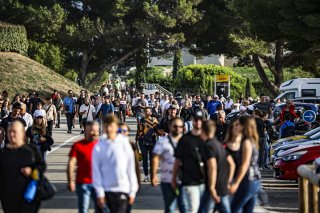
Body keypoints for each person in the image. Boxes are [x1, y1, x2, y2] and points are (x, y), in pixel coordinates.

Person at [92, 115, 138, 213]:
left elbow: (130, 169)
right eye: (106, 126)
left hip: (122, 190)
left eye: (111, 126)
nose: (109, 129)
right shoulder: (98, 147)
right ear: (103, 127)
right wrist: (100, 193)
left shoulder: (125, 145)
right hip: (105, 190)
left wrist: (133, 191)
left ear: (116, 127)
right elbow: (96, 172)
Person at [0, 120, 46, 213]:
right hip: (8, 197)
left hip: (29, 195)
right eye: (9, 132)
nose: (12, 134)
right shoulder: (3, 153)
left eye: (14, 132)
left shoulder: (31, 150)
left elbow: (42, 166)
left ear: (22, 133)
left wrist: (32, 170)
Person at [172, 111, 206, 213]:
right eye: (196, 119)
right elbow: (177, 159)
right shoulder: (185, 139)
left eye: (200, 120)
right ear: (192, 121)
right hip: (189, 180)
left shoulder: (207, 138)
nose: (198, 122)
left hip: (205, 180)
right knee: (193, 209)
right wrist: (174, 177)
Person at [198, 120, 235, 213]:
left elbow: (212, 167)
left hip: (214, 187)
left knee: (203, 210)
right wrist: (228, 181)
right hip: (222, 185)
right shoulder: (219, 144)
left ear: (203, 131)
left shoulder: (208, 146)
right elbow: (232, 164)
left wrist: (211, 188)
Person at [151, 117, 186, 213]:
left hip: (184, 180)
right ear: (170, 127)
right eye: (175, 126)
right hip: (167, 180)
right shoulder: (162, 141)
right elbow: (155, 158)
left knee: (184, 206)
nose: (178, 128)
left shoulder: (187, 141)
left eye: (180, 126)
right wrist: (153, 175)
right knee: (170, 207)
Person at [67, 121, 101, 213]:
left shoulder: (102, 146)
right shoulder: (77, 145)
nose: (93, 133)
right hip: (83, 183)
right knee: (83, 210)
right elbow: (71, 163)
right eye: (90, 131)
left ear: (99, 131)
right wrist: (70, 181)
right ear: (85, 131)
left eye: (95, 131)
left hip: (99, 184)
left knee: (102, 209)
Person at [230, 117, 261, 213]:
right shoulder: (252, 140)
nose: (235, 126)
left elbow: (245, 164)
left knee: (234, 209)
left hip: (248, 181)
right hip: (254, 180)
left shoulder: (246, 142)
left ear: (244, 126)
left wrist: (236, 183)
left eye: (238, 124)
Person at [137, 107, 159, 182]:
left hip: (152, 141)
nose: (147, 112)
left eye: (148, 111)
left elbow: (157, 130)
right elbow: (139, 131)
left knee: (152, 160)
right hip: (143, 141)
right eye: (145, 111)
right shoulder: (142, 120)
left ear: (151, 112)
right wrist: (137, 141)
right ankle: (146, 176)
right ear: (144, 112)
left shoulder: (154, 120)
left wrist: (162, 134)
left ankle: (152, 175)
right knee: (145, 159)